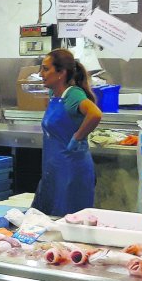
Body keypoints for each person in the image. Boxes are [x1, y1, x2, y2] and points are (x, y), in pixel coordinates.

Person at [32, 48, 102, 217]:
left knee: (68, 220)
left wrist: (78, 137)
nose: (41, 74)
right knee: (45, 217)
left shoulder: (73, 95)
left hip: (71, 170)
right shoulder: (54, 94)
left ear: (61, 73)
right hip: (53, 168)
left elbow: (95, 114)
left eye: (45, 69)